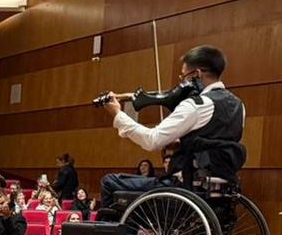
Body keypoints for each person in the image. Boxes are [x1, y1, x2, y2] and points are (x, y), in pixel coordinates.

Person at [99, 45, 244, 207]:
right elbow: (215, 141)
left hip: (187, 186)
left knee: (110, 182)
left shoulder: (197, 104)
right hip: (222, 188)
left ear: (196, 74)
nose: (182, 82)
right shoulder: (239, 106)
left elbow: (152, 140)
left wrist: (118, 115)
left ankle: (114, 224)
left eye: (184, 76)